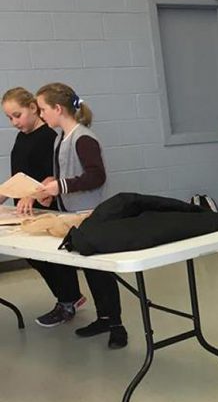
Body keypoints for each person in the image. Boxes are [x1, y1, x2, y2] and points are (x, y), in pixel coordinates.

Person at [34, 82, 128, 349]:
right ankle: (104, 318)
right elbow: (65, 176)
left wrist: (61, 186)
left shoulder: (83, 137)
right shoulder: (58, 139)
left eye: (43, 109)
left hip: (92, 214)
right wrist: (51, 189)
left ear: (57, 108)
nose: (41, 115)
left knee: (102, 273)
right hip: (72, 215)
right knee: (90, 270)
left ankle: (117, 326)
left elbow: (96, 176)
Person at [1, 87, 87, 327]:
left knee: (52, 258)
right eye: (9, 118)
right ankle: (68, 297)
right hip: (26, 209)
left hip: (47, 206)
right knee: (35, 257)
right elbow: (19, 174)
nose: (14, 122)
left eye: (17, 115)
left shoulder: (49, 137)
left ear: (32, 108)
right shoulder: (22, 136)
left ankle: (68, 300)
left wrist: (33, 194)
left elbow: (54, 175)